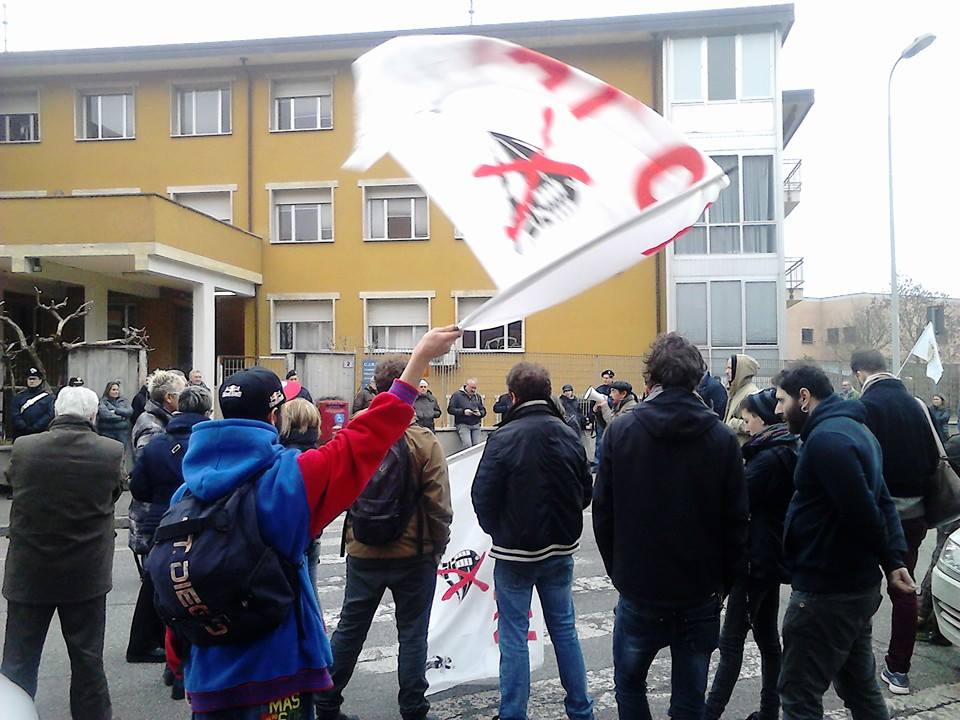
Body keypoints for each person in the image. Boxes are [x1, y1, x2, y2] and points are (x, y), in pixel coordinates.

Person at [169, 326, 460, 717]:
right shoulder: (289, 481)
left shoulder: (185, 493)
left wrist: (178, 662)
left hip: (207, 678)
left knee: (351, 627)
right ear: (275, 416)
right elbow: (366, 436)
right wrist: (421, 356)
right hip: (277, 674)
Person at [593, 333, 748, 720]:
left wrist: (620, 572)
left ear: (651, 378)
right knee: (689, 700)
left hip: (640, 587)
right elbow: (736, 522)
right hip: (699, 590)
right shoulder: (722, 438)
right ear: (698, 380)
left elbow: (603, 514)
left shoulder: (621, 431)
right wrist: (723, 584)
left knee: (629, 686)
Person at [316, 357, 453, 720]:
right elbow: (439, 504)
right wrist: (438, 545)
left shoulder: (354, 434)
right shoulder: (424, 440)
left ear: (376, 389)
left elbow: (337, 488)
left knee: (350, 627)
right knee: (412, 633)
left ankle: (327, 701)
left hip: (363, 548)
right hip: (414, 552)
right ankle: (413, 707)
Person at [773, 363, 913, 718]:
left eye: (781, 400)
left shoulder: (828, 440)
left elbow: (865, 511)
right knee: (859, 687)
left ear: (804, 398)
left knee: (799, 694)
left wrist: (891, 559)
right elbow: (883, 500)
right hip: (852, 588)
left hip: (826, 592)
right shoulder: (856, 431)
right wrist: (894, 560)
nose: (777, 409)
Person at [472, 362, 594, 720]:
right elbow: (585, 490)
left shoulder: (503, 437)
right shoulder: (568, 433)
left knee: (513, 636)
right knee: (565, 631)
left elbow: (483, 495)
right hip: (560, 548)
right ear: (549, 390)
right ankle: (580, 710)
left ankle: (513, 714)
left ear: (513, 396)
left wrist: (499, 530)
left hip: (513, 552)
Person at [1, 386, 124, 719]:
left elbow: (14, 483)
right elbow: (114, 492)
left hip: (29, 569)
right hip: (85, 572)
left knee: (18, 661)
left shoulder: (25, 447)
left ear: (56, 412)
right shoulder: (110, 451)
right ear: (93, 415)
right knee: (87, 660)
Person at [704, 388, 797, 720]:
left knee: (730, 645)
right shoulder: (779, 449)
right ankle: (770, 711)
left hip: (754, 560)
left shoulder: (769, 458)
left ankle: (709, 713)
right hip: (767, 557)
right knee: (768, 640)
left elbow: (735, 500)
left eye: (747, 420)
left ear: (761, 419)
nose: (745, 426)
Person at [852, 349, 939, 695]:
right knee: (904, 586)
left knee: (857, 586)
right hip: (914, 516)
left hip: (873, 513)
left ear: (860, 374)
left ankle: (853, 663)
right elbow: (935, 456)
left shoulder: (865, 408)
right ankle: (898, 669)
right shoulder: (917, 406)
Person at [128, 385, 212, 699]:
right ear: (205, 412)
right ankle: (182, 667)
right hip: (197, 524)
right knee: (193, 596)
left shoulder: (156, 445)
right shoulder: (208, 444)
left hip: (159, 523)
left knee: (162, 592)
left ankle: (162, 657)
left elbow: (139, 487)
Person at [917, 433, 960, 645]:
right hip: (953, 513)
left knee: (941, 562)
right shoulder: (955, 443)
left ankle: (925, 617)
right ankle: (929, 620)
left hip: (952, 511)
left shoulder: (954, 443)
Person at [279, 399, 323, 600]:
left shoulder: (282, 457)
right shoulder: (320, 455)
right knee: (311, 595)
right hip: (313, 534)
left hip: (285, 538)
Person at [131, 368, 187, 459]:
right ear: (169, 397)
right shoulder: (152, 427)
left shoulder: (162, 418)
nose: (186, 398)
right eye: (182, 394)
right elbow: (148, 464)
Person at [724, 353, 759, 444]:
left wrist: (733, 424)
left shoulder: (750, 393)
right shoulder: (737, 391)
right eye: (726, 368)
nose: (726, 372)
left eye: (730, 368)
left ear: (741, 370)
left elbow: (757, 423)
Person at [10, 367, 54, 440]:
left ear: (40, 380)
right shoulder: (19, 397)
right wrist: (23, 426)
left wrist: (37, 427)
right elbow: (15, 413)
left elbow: (49, 414)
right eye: (30, 379)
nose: (32, 381)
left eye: (34, 379)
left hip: (40, 433)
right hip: (21, 434)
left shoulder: (48, 398)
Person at [447, 378, 486, 448]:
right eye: (472, 387)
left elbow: (483, 410)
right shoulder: (457, 395)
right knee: (467, 446)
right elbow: (450, 409)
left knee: (476, 447)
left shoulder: (477, 396)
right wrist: (463, 412)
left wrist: (480, 413)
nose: (473, 390)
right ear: (466, 386)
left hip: (476, 424)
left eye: (475, 388)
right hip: (463, 424)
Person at [590, 369, 615, 471]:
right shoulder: (599, 389)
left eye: (607, 378)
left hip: (612, 417)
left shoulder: (616, 388)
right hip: (600, 419)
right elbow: (592, 404)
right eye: (604, 378)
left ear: (612, 378)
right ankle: (597, 463)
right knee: (599, 441)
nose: (605, 380)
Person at [97, 380, 133, 448]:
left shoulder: (123, 400)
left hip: (122, 433)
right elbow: (105, 415)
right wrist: (122, 417)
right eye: (113, 390)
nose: (116, 392)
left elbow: (130, 411)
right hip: (107, 432)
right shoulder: (103, 401)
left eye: (117, 390)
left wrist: (116, 411)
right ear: (108, 390)